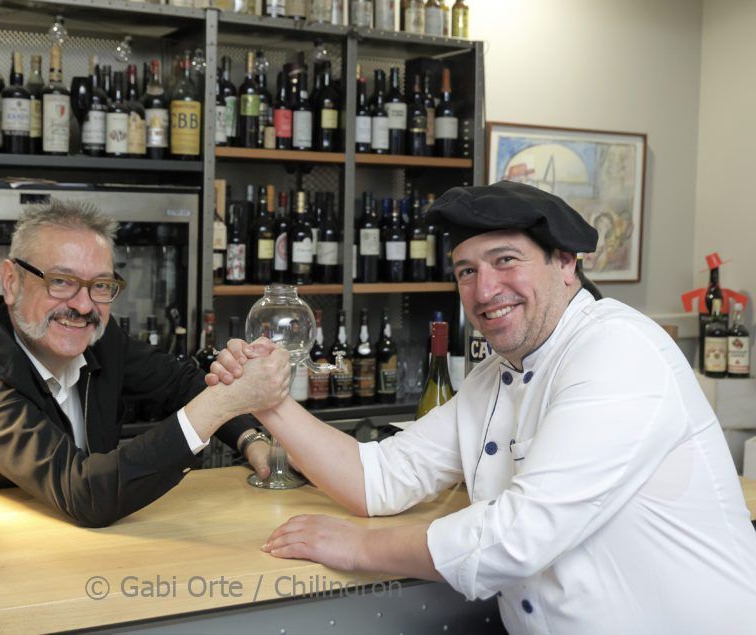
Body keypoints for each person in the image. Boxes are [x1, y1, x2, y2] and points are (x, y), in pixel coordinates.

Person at [207, 182, 756, 633]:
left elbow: (518, 537)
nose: (485, 289)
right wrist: (268, 399)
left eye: (505, 261)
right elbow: (379, 478)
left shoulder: (619, 349)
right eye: (467, 271)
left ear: (566, 263)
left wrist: (359, 547)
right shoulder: (495, 375)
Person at [0, 199, 289, 528]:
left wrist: (250, 439)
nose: (83, 306)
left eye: (100, 285)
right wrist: (222, 403)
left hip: (82, 545)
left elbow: (180, 382)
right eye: (60, 281)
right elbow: (84, 492)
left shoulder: (98, 339)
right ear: (11, 282)